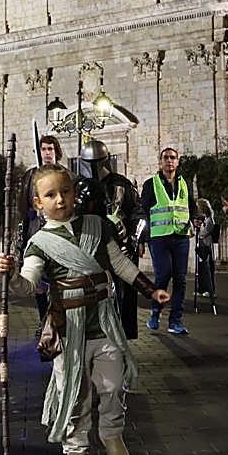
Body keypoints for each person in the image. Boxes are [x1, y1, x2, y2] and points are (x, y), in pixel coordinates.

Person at [0, 164, 170, 455]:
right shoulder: (39, 242)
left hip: (103, 321)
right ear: (38, 203)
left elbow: (120, 264)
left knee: (114, 384)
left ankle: (111, 433)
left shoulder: (97, 226)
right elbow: (28, 284)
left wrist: (150, 289)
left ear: (74, 193)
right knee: (74, 394)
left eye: (65, 192)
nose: (60, 200)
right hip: (66, 328)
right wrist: (9, 276)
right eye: (50, 195)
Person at [77, 140, 145, 340]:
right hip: (90, 250)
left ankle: (122, 337)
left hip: (120, 247)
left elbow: (138, 214)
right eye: (89, 162)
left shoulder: (121, 184)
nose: (93, 167)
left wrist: (133, 240)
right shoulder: (78, 186)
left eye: (96, 162)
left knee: (124, 298)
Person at [139, 147, 197, 335]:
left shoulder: (185, 183)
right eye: (166, 158)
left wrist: (196, 218)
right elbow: (143, 211)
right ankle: (155, 312)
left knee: (180, 279)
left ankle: (175, 320)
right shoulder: (151, 184)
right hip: (159, 237)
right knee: (163, 275)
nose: (169, 161)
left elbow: (191, 206)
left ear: (177, 162)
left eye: (173, 158)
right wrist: (143, 237)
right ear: (161, 162)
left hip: (180, 236)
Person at [17, 135, 67, 326]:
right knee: (38, 280)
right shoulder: (31, 176)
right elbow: (23, 204)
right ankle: (43, 321)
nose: (46, 153)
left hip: (60, 232)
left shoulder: (64, 174)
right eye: (43, 149)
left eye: (50, 149)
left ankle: (59, 320)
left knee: (59, 278)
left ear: (56, 151)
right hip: (36, 231)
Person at [194, 198, 217, 299]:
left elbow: (204, 233)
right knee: (201, 268)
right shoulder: (205, 219)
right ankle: (202, 288)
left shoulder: (209, 220)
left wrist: (199, 231)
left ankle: (210, 290)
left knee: (207, 268)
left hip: (206, 245)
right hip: (203, 245)